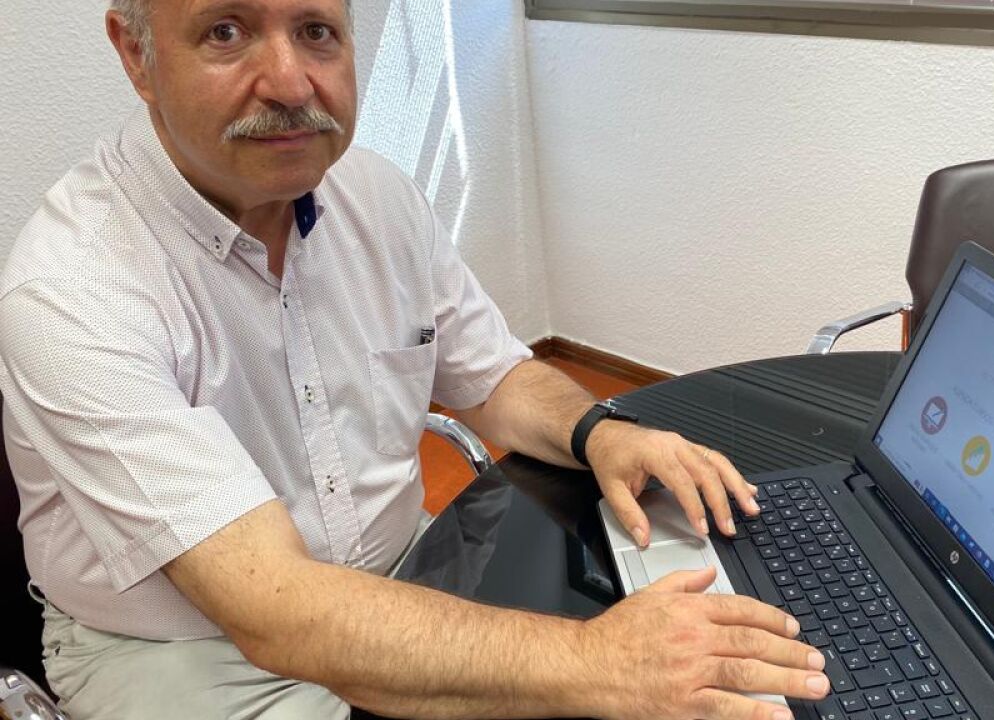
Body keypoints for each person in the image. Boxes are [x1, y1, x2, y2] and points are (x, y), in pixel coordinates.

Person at [0, 1, 832, 718]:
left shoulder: (377, 196)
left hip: (409, 568)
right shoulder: (74, 288)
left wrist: (600, 433)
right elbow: (272, 611)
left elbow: (494, 376)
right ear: (136, 55)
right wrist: (601, 661)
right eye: (226, 31)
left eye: (317, 32)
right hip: (191, 649)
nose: (290, 83)